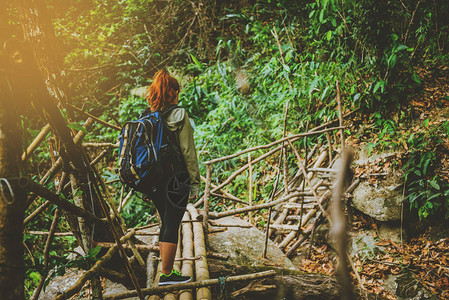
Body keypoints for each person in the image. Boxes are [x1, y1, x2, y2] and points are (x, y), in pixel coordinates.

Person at [143, 69, 201, 285]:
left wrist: (146, 186)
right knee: (171, 223)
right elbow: (188, 151)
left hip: (154, 180)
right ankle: (167, 275)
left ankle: (166, 271)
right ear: (174, 93)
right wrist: (194, 183)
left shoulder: (147, 117)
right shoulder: (179, 114)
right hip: (176, 179)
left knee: (166, 222)